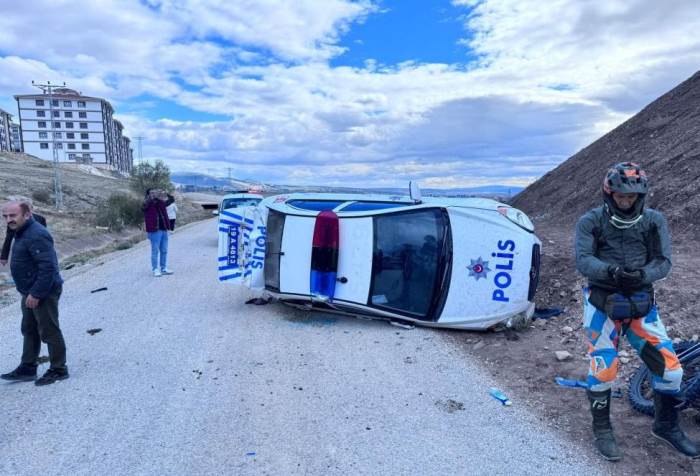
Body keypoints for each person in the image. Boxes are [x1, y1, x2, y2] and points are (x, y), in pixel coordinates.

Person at [575, 162, 698, 461]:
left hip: (641, 303)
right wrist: (612, 271)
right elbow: (583, 260)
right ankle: (603, 430)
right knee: (603, 369)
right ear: (609, 194)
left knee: (671, 370)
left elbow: (664, 261)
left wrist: (643, 275)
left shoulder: (654, 221)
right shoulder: (590, 221)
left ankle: (665, 426)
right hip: (601, 302)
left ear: (641, 196)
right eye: (620, 197)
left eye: (631, 198)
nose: (626, 202)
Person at [0, 201, 68, 386]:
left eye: (12, 215)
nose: (8, 220)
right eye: (5, 216)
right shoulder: (20, 230)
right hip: (29, 289)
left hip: (43, 291)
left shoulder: (36, 234)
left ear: (27, 214)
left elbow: (48, 267)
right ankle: (28, 367)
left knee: (49, 330)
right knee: (29, 329)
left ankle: (59, 369)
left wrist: (37, 293)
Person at [1, 197, 47, 266]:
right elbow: (8, 239)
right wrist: (4, 257)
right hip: (21, 252)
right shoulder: (12, 222)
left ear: (31, 209)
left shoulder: (40, 219)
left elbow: (44, 237)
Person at [142, 188, 174, 277]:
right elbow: (144, 207)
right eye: (152, 193)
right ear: (148, 194)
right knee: (155, 250)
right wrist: (151, 198)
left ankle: (163, 268)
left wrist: (166, 193)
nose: (154, 194)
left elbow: (171, 200)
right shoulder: (147, 203)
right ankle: (155, 269)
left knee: (164, 250)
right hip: (154, 230)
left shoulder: (160, 202)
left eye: (155, 192)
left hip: (164, 229)